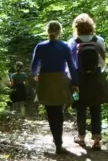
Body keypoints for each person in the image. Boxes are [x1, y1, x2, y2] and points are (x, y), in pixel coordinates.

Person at [31, 20, 78, 155]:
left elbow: (34, 66)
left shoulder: (40, 46)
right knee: (59, 111)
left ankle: (57, 141)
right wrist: (74, 82)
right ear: (60, 31)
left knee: (50, 112)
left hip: (46, 80)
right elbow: (71, 66)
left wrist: (35, 76)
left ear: (47, 31)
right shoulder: (64, 46)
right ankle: (59, 142)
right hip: (60, 80)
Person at [69, 13, 108, 151]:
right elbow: (103, 62)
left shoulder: (72, 42)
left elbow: (69, 64)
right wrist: (97, 72)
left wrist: (72, 79)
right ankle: (97, 139)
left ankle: (81, 137)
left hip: (77, 81)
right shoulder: (99, 40)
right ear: (91, 26)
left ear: (76, 27)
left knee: (78, 105)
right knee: (96, 107)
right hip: (96, 80)